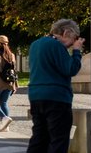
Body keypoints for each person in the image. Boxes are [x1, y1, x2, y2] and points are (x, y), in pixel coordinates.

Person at [26, 18, 84, 153]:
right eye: (74, 38)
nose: (73, 43)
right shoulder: (56, 45)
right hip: (56, 97)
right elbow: (70, 69)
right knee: (59, 139)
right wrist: (76, 52)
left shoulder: (35, 44)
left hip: (36, 95)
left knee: (39, 138)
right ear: (66, 32)